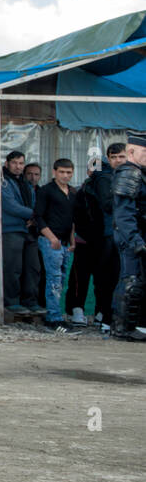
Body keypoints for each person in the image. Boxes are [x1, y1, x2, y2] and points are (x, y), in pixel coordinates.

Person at [69, 143, 126, 329]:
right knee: (99, 278)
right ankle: (99, 315)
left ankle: (98, 314)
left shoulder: (102, 181)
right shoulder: (103, 180)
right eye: (114, 157)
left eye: (121, 157)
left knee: (98, 278)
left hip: (96, 238)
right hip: (97, 238)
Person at [111, 131, 146, 341]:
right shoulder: (129, 173)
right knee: (130, 281)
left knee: (136, 281)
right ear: (131, 151)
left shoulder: (139, 172)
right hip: (130, 235)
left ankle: (131, 326)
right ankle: (122, 328)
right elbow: (123, 213)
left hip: (136, 234)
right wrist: (135, 240)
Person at [34, 159, 76, 328]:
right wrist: (51, 238)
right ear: (54, 172)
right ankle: (53, 317)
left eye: (68, 172)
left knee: (61, 281)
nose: (65, 175)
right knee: (54, 280)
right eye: (62, 172)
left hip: (66, 243)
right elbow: (38, 217)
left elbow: (72, 219)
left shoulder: (72, 193)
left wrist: (72, 241)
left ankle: (57, 314)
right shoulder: (46, 191)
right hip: (51, 241)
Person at [0, 151, 43, 314]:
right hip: (11, 230)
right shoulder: (3, 182)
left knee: (33, 267)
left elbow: (33, 202)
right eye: (14, 163)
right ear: (7, 164)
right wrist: (33, 214)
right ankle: (12, 302)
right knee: (13, 267)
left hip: (28, 230)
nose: (18, 166)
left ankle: (30, 301)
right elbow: (10, 205)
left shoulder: (25, 183)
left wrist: (33, 218)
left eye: (21, 163)